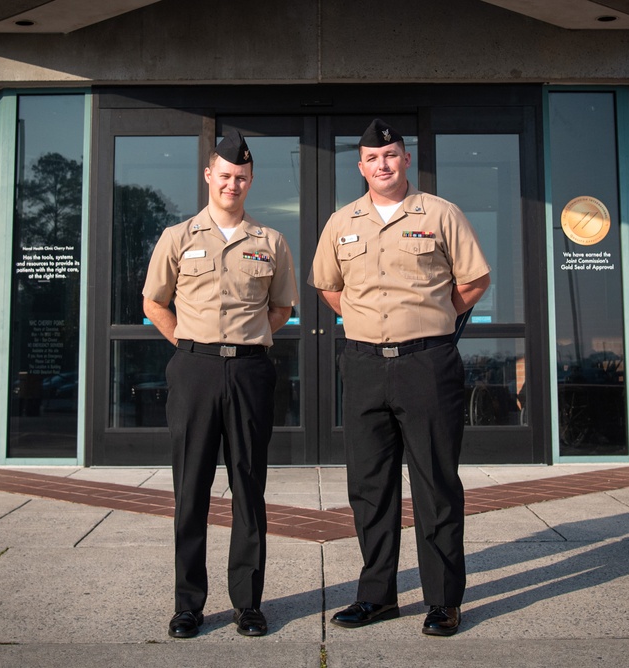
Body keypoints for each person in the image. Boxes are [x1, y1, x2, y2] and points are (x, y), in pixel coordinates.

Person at [309, 119, 490, 636]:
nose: (381, 165)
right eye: (372, 158)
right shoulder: (341, 222)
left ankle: (443, 600)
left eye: (390, 155)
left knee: (435, 483)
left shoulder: (440, 213)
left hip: (426, 364)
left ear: (405, 159)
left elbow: (474, 279)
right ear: (360, 165)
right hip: (364, 364)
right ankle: (377, 596)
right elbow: (330, 287)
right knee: (369, 487)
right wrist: (367, 324)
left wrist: (433, 316)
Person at [143, 130, 299, 639]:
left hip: (251, 371)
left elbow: (280, 309)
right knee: (190, 489)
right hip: (194, 369)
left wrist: (247, 341)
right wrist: (190, 345)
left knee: (248, 487)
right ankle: (188, 604)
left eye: (242, 177)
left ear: (251, 182)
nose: (233, 183)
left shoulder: (270, 242)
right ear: (209, 176)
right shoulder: (177, 237)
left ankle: (247, 604)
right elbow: (154, 303)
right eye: (225, 175)